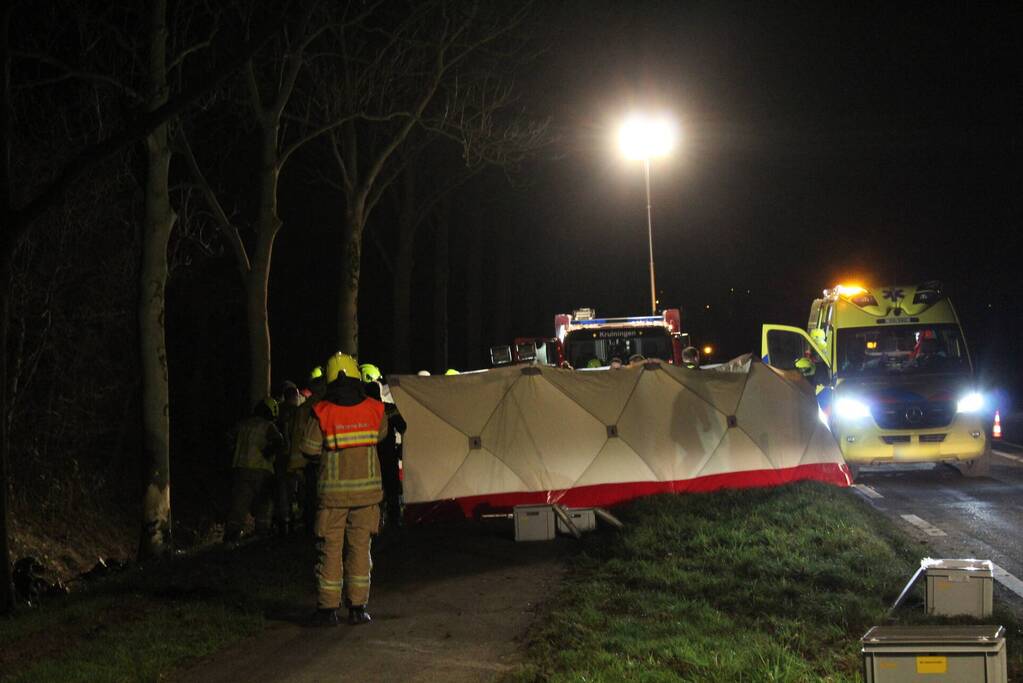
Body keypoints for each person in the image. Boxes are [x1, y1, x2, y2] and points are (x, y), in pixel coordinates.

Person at [301, 352, 388, 626]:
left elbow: (309, 448)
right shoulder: (375, 409)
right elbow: (381, 435)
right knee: (360, 550)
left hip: (332, 497)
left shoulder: (321, 411)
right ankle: (358, 609)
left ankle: (327, 610)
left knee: (330, 550)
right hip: (367, 496)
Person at [225, 398, 284, 542]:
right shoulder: (268, 426)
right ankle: (262, 532)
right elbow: (279, 441)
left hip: (240, 468)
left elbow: (228, 438)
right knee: (264, 503)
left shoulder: (243, 424)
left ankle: (232, 534)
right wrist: (268, 453)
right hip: (261, 469)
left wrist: (233, 452)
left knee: (239, 503)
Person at [361, 362, 406, 530]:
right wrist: (402, 449)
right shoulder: (388, 408)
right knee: (392, 493)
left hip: (369, 459)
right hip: (387, 457)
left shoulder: (361, 411)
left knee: (374, 496)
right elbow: (404, 428)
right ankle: (394, 524)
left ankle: (377, 525)